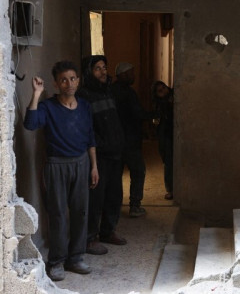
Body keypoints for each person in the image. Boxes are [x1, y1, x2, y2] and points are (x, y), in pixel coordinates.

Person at [23, 60, 98, 281]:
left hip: (82, 163)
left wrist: (94, 166)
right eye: (63, 80)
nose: (69, 83)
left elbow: (90, 137)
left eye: (73, 78)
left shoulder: (84, 106)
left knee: (80, 212)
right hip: (57, 165)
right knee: (57, 214)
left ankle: (76, 258)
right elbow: (30, 124)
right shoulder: (48, 106)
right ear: (56, 84)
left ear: (78, 80)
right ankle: (56, 261)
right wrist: (36, 94)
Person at [77, 55, 127, 255]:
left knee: (114, 195)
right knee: (95, 198)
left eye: (104, 67)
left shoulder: (108, 92)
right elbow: (86, 129)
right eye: (97, 68)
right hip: (98, 156)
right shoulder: (84, 96)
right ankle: (90, 238)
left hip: (115, 153)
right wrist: (100, 147)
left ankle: (108, 231)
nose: (103, 71)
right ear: (89, 72)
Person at [111, 62, 150, 217]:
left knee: (115, 175)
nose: (133, 76)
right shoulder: (128, 93)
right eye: (131, 73)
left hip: (115, 141)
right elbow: (137, 114)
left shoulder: (111, 91)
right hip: (130, 141)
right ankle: (135, 205)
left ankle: (115, 205)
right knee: (138, 171)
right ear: (123, 75)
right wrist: (154, 116)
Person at [152, 81, 174, 201]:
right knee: (169, 162)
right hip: (166, 136)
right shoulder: (159, 105)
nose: (164, 91)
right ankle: (170, 189)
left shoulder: (174, 96)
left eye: (164, 88)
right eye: (160, 91)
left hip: (173, 134)